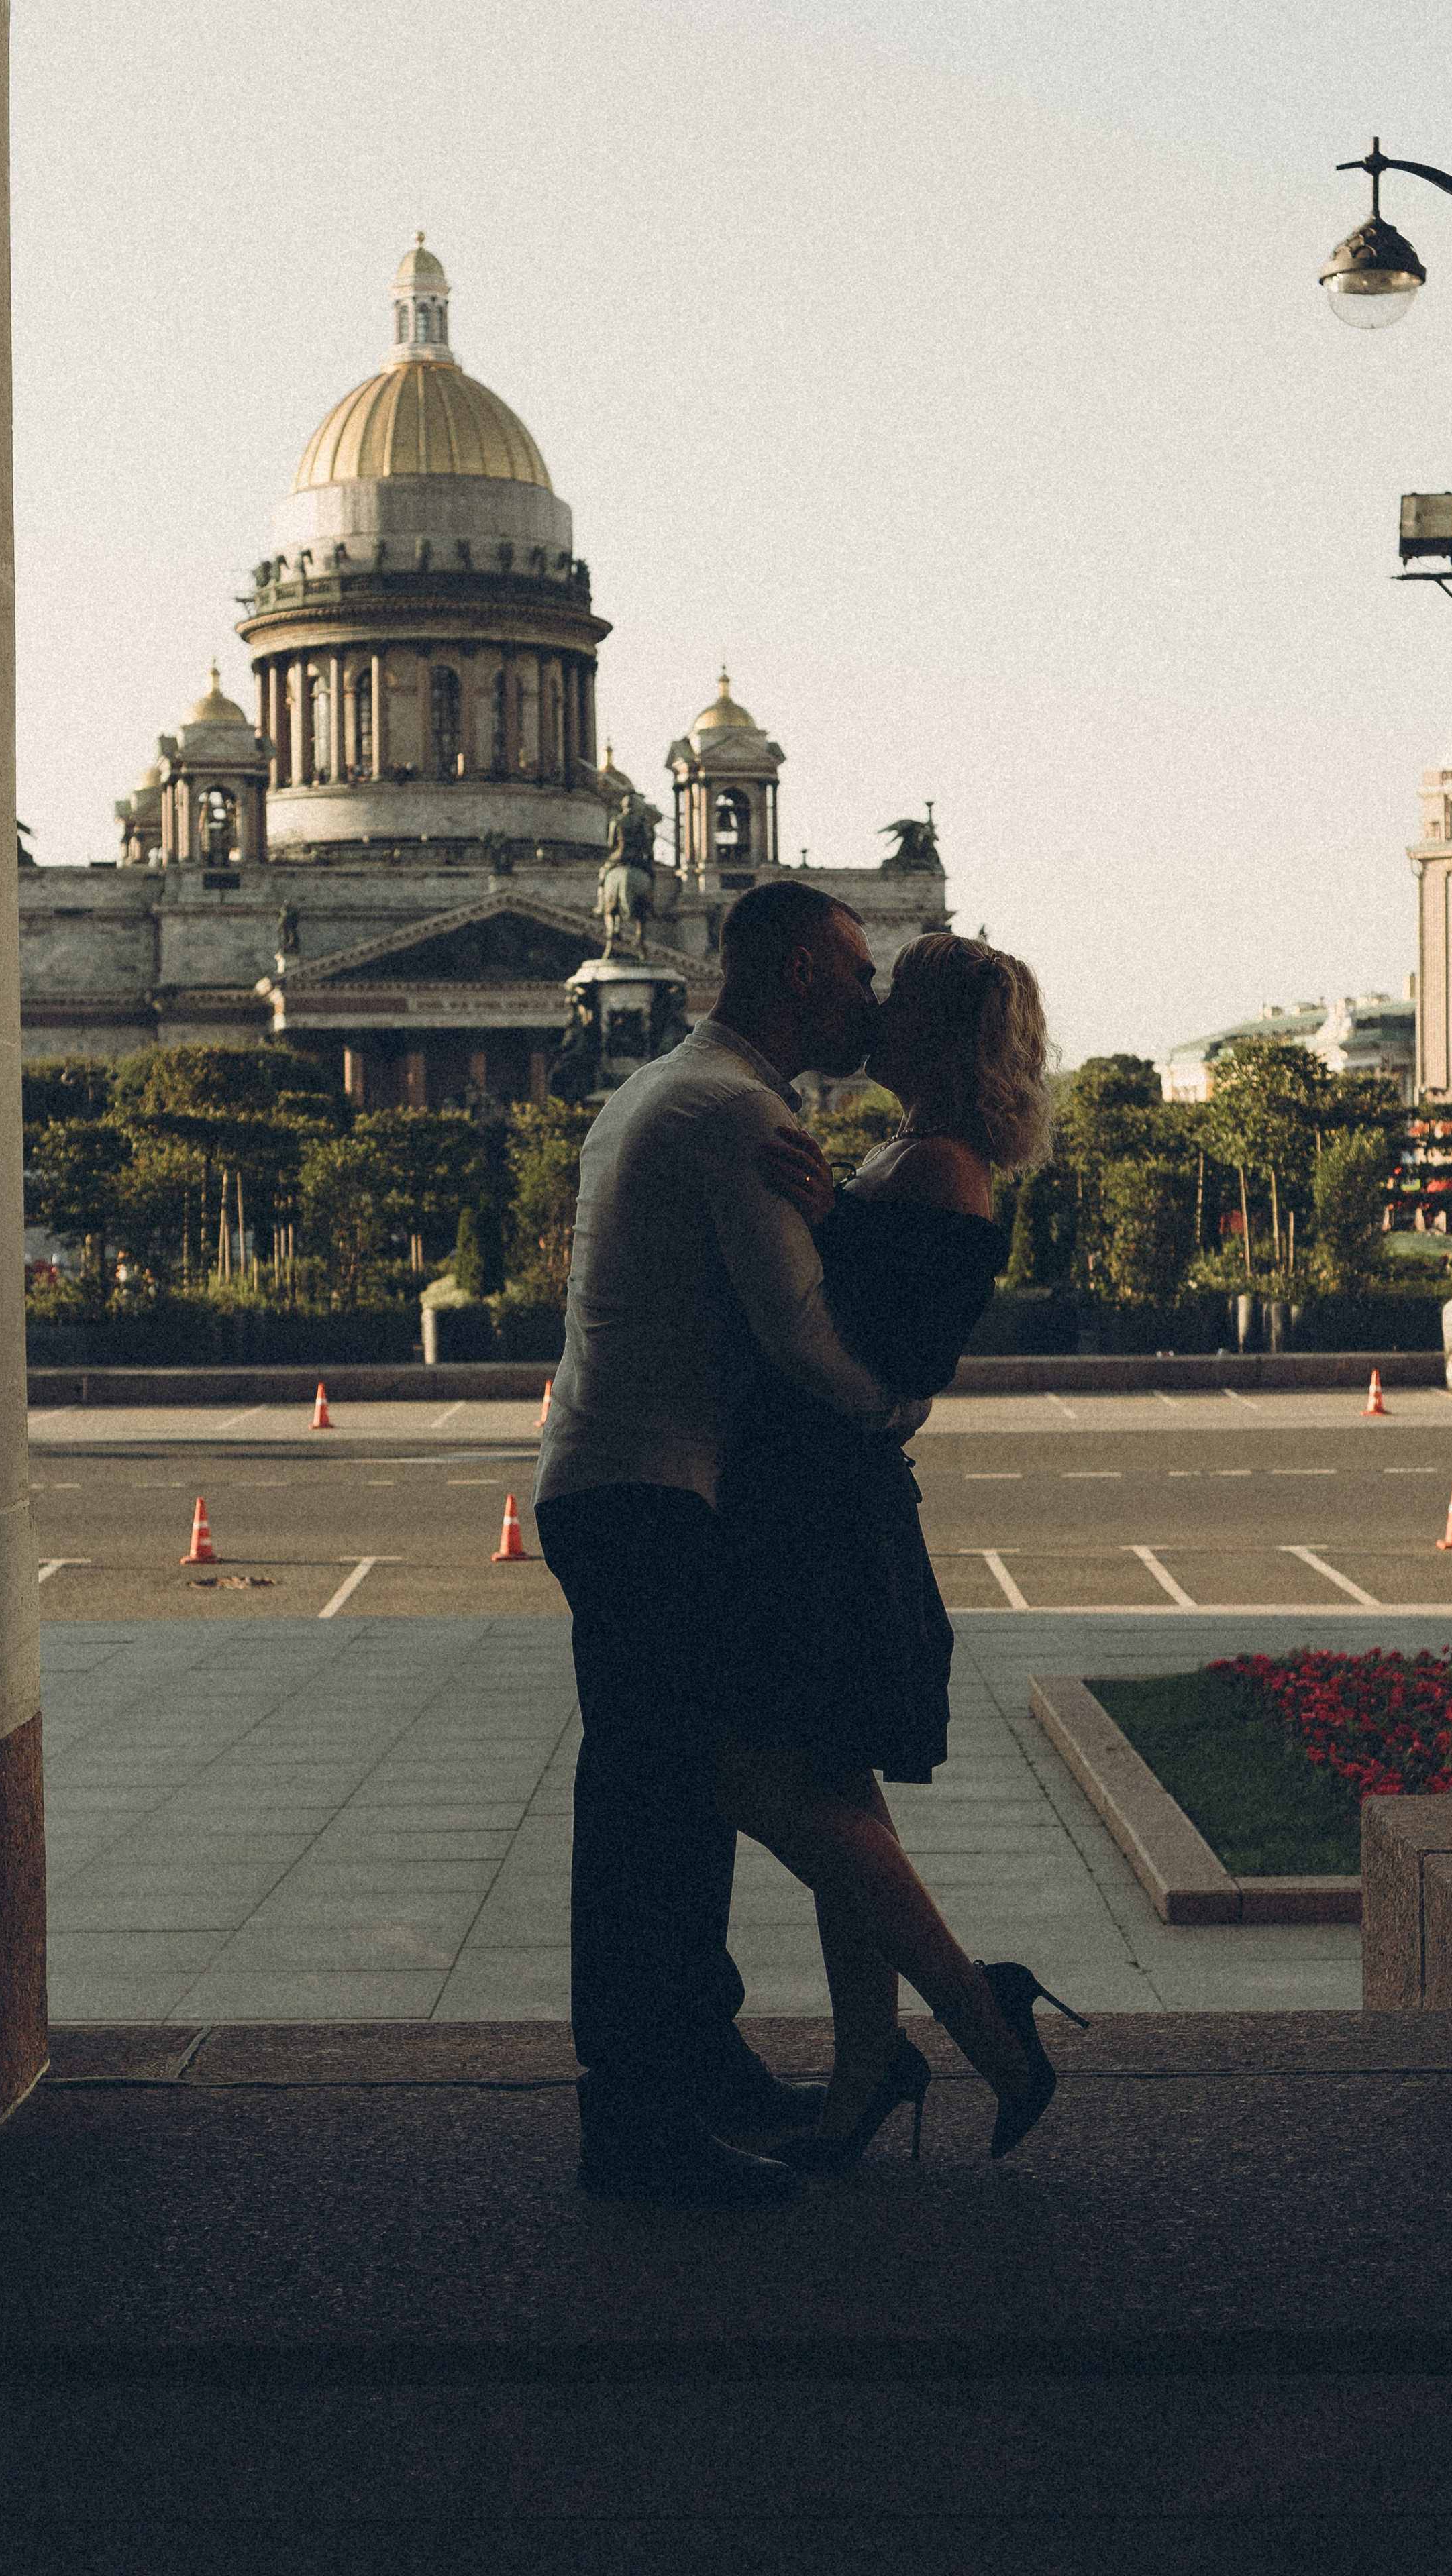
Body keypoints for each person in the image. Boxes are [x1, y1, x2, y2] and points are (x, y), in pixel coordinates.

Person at [534, 880, 924, 2204]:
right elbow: (800, 1339)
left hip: (619, 1483)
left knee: (674, 1805)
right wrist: (902, 1403)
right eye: (858, 972)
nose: (871, 999)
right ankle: (635, 2124)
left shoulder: (674, 1086)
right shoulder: (731, 1111)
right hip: (653, 1495)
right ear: (803, 972)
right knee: (648, 1819)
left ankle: (695, 2068)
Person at [715, 933, 1088, 2172]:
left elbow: (911, 1354)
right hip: (817, 1503)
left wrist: (828, 1217)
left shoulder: (940, 1164)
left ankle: (985, 2021)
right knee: (836, 1793)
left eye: (893, 994)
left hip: (831, 1514)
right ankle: (869, 2070)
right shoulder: (912, 1150)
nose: (866, 1006)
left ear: (933, 1031)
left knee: (760, 1779)